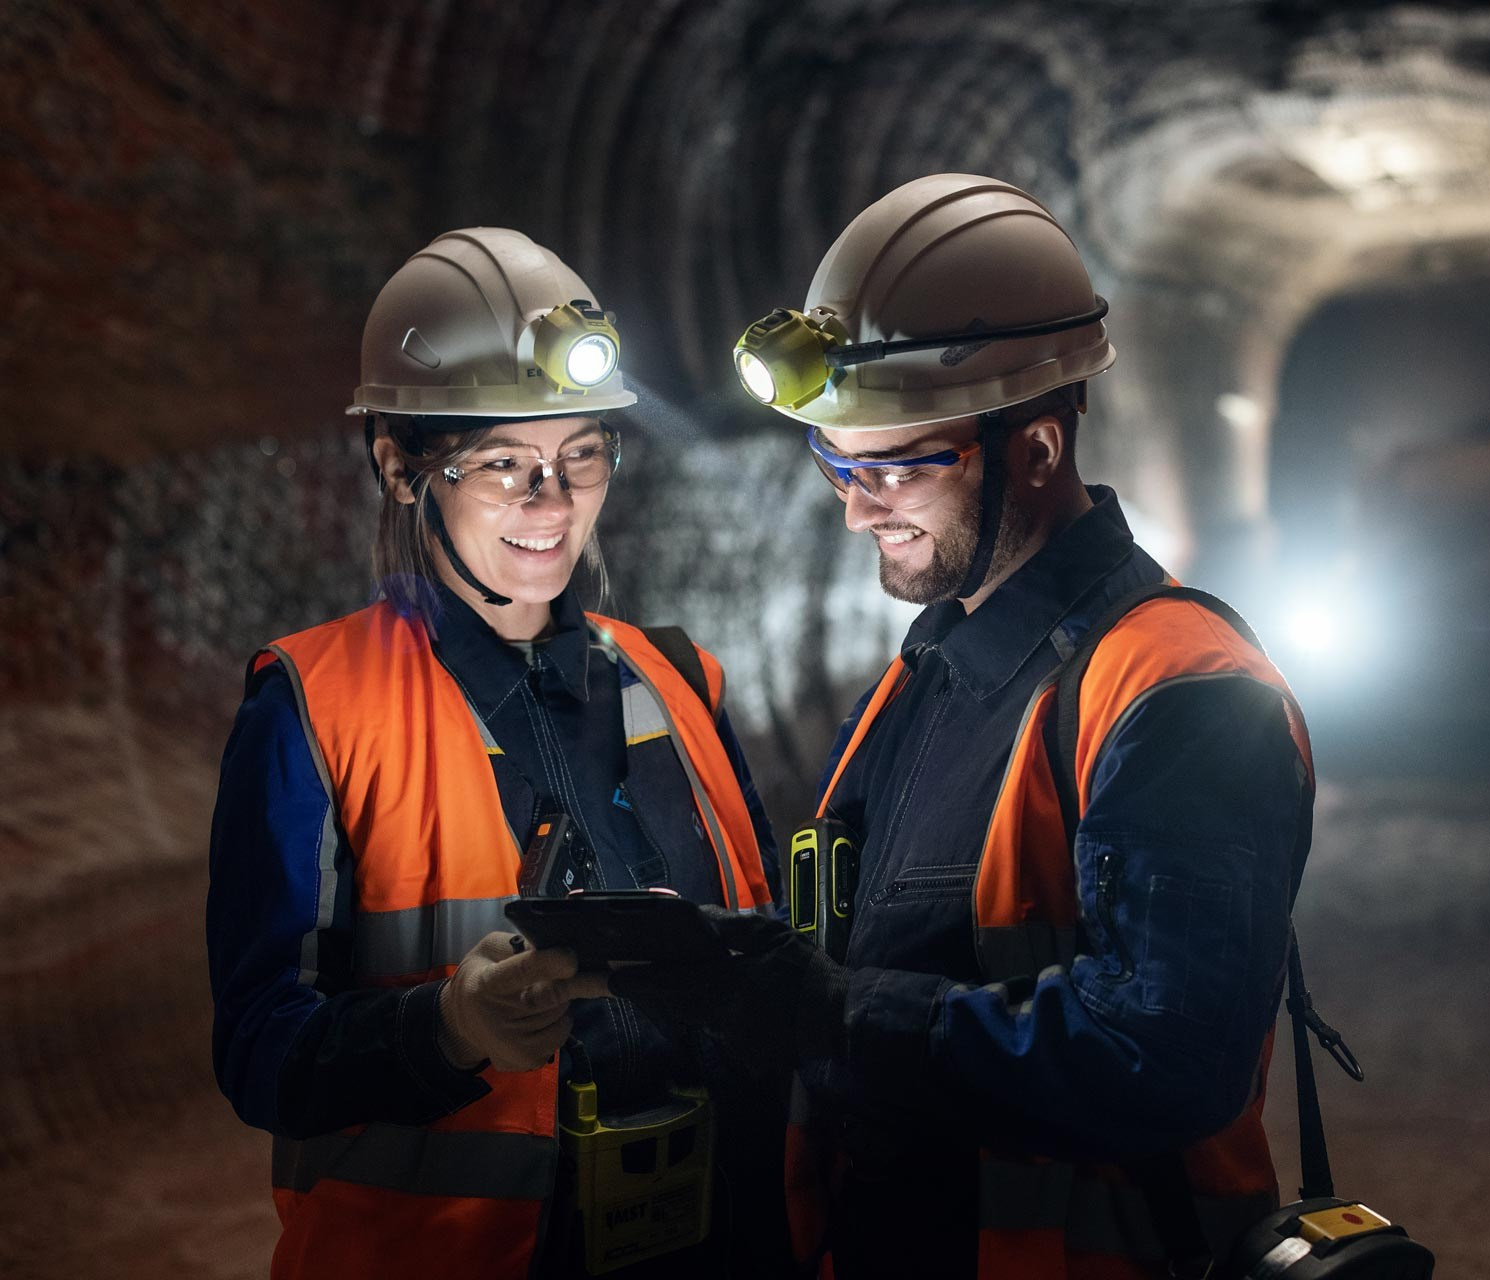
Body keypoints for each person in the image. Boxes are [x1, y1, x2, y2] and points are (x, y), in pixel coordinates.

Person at [616, 175, 1315, 1279]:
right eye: (836, 463)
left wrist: (838, 1011)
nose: (855, 507)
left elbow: (1168, 1057)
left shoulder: (1182, 691)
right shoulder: (931, 668)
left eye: (893, 465)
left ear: (1034, 449)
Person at [207, 228, 787, 1279]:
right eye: (504, 464)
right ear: (400, 464)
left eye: (582, 455)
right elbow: (259, 1051)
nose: (553, 501)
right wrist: (447, 1025)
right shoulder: (315, 704)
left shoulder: (677, 678)